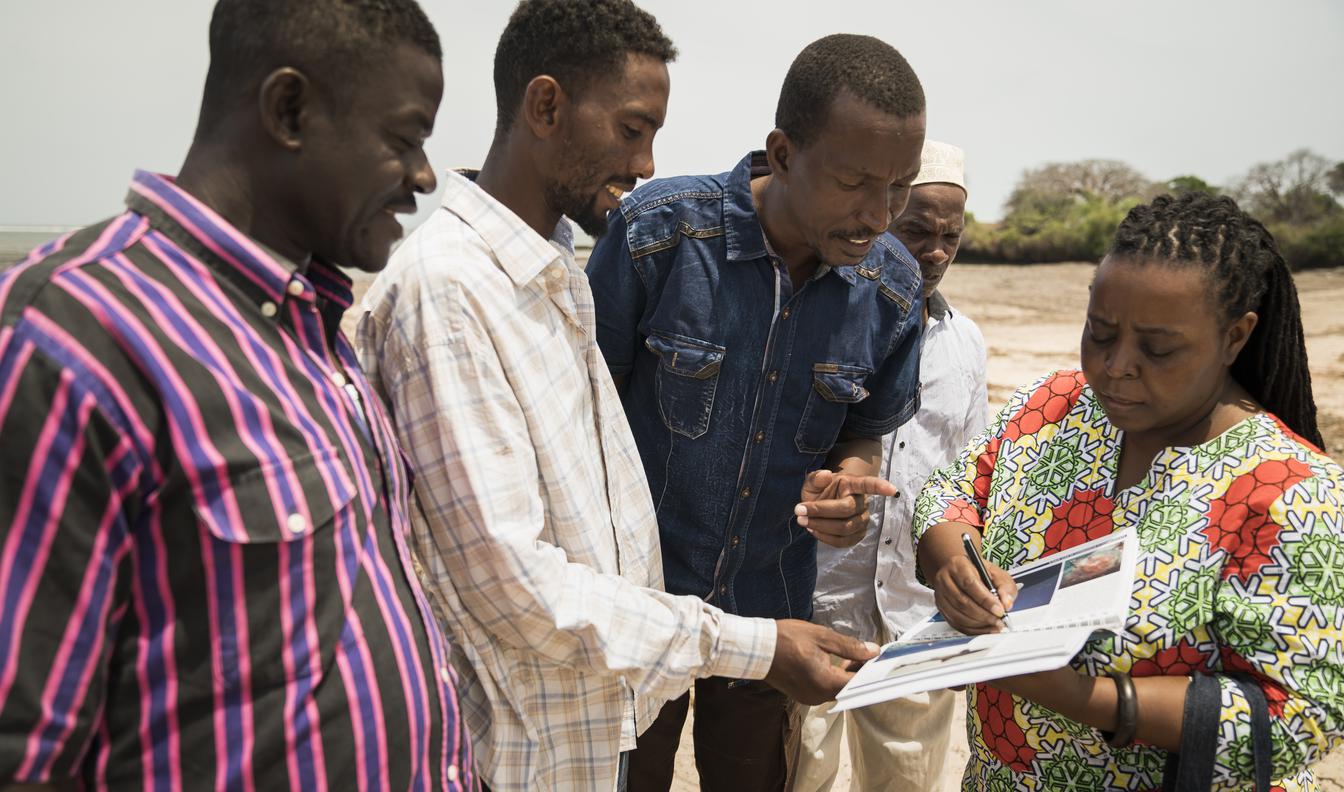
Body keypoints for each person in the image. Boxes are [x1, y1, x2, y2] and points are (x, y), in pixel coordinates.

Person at [354, 3, 874, 791]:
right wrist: (756, 647)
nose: (647, 162)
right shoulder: (450, 294)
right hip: (516, 761)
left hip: (589, 737)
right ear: (546, 106)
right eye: (632, 129)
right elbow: (517, 589)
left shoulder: (552, 271)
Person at [0, 1, 474, 789]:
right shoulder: (73, 336)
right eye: (406, 138)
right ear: (289, 110)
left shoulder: (318, 329)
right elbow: (22, 750)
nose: (425, 177)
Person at [914, 192, 1344, 791]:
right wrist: (956, 567)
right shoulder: (1054, 407)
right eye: (1100, 333)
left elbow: (1299, 719)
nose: (1115, 367)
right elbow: (951, 496)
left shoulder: (1294, 497)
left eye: (1158, 349)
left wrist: (1089, 699)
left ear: (1235, 337)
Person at [587, 33, 927, 792]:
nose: (878, 214)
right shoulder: (660, 235)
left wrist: (848, 486)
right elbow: (580, 416)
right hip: (639, 612)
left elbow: (863, 435)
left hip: (773, 618)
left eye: (899, 187)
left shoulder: (893, 292)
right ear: (781, 151)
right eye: (854, 182)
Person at [794, 140, 984, 792]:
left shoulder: (966, 344)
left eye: (948, 237)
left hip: (913, 616)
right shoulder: (817, 319)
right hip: (817, 604)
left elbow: (972, 477)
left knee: (904, 780)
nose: (933, 252)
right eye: (915, 231)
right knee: (800, 773)